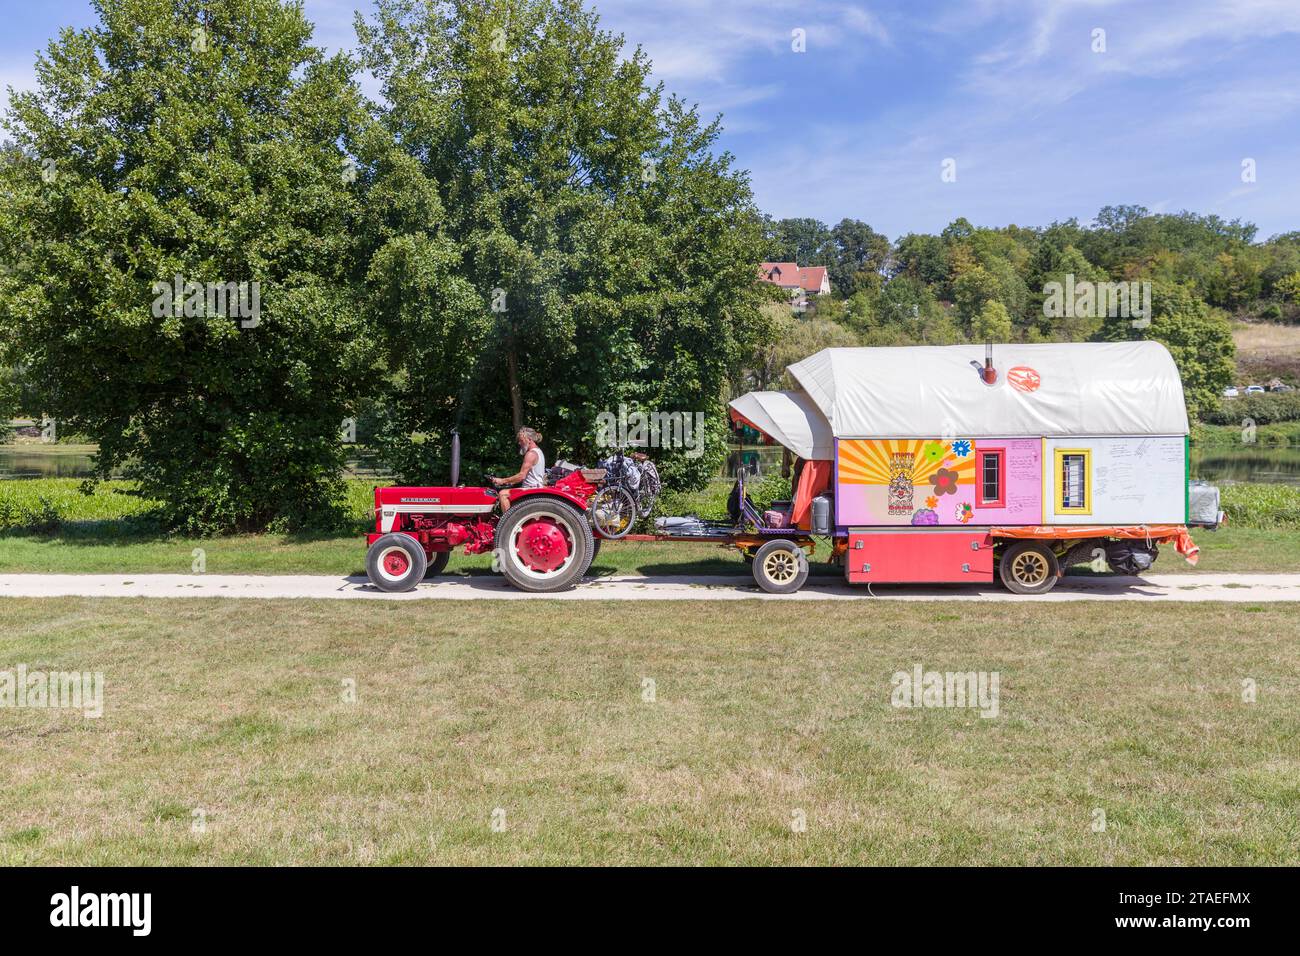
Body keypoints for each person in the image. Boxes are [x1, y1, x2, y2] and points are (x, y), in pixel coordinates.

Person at [491, 427, 546, 512]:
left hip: (531, 489)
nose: (519, 443)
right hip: (534, 488)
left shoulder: (531, 454)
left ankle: (508, 522)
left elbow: (521, 476)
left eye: (521, 441)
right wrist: (511, 482)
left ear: (529, 440)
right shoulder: (538, 451)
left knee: (503, 494)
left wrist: (502, 481)